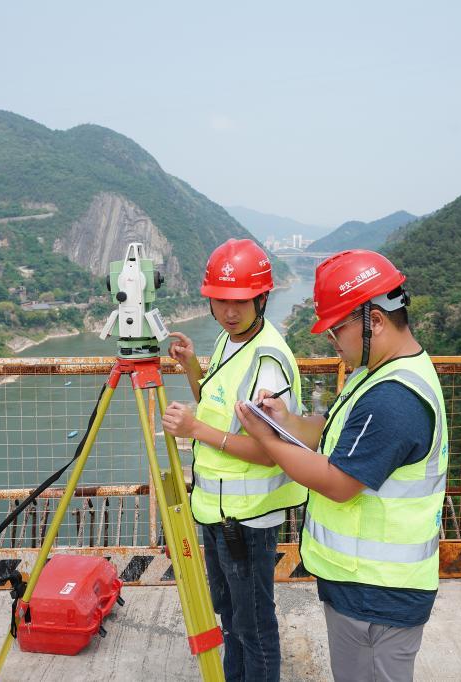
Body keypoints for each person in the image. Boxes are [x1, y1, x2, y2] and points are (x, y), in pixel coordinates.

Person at [234, 249, 448, 682]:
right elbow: (334, 433)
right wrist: (285, 421)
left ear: (375, 321)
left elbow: (338, 482)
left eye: (337, 329)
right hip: (362, 585)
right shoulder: (375, 372)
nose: (332, 341)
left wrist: (267, 441)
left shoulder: (394, 398)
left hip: (380, 595)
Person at [161, 238, 305, 682]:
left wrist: (195, 430)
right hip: (218, 512)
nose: (229, 311)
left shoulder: (268, 362)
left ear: (262, 298)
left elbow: (271, 453)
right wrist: (191, 367)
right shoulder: (231, 340)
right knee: (230, 616)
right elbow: (217, 403)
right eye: (221, 300)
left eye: (240, 301)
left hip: (248, 520)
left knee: (253, 626)